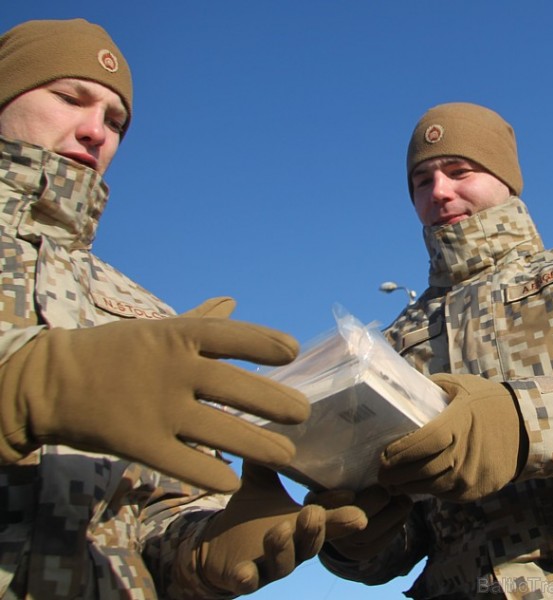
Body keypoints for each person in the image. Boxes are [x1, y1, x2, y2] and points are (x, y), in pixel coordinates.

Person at [0, 18, 365, 598]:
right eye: (70, 98)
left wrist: (206, 544)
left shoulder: (147, 316)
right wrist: (21, 390)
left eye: (115, 121)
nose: (95, 130)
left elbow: (151, 519)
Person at [317, 102, 553, 598]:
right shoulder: (392, 345)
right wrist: (356, 539)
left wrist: (522, 424)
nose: (439, 192)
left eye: (459, 171)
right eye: (421, 181)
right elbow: (410, 534)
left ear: (505, 178)